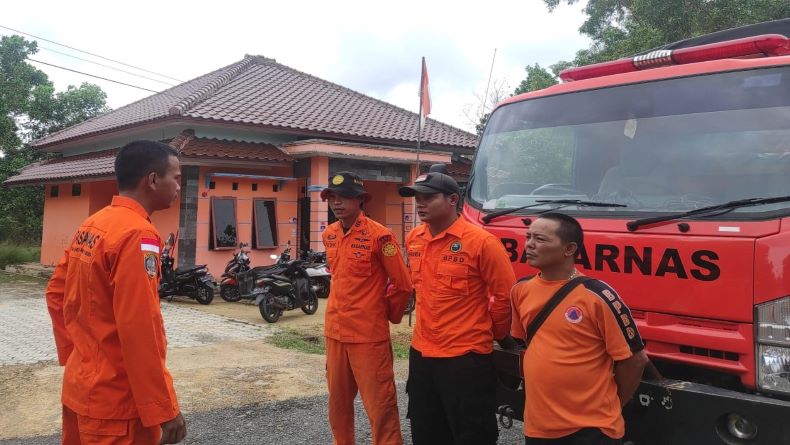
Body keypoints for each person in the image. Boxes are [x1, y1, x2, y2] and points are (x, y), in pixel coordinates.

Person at [45, 140, 186, 445]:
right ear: (152, 180)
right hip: (117, 405)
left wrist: (81, 357)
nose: (178, 186)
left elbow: (56, 292)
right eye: (175, 177)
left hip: (81, 387)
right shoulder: (138, 234)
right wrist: (162, 406)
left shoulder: (94, 224)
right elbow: (139, 326)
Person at [399, 169, 516, 445]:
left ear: (453, 199)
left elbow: (505, 296)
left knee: (471, 433)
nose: (420, 203)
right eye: (417, 197)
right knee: (426, 429)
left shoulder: (481, 242)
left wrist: (496, 334)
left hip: (465, 357)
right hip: (422, 353)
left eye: (428, 197)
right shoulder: (414, 239)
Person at [510, 212, 649, 445]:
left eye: (541, 239)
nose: (529, 245)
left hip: (591, 430)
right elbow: (528, 343)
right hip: (538, 427)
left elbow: (636, 360)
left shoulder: (597, 295)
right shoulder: (520, 290)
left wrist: (614, 404)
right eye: (528, 237)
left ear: (569, 249)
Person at [321, 171, 413, 445]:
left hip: (368, 337)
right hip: (335, 333)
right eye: (332, 197)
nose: (337, 203)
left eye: (345, 197)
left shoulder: (380, 237)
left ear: (360, 200)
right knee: (337, 405)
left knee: (380, 405)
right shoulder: (329, 235)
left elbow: (403, 284)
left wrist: (386, 313)